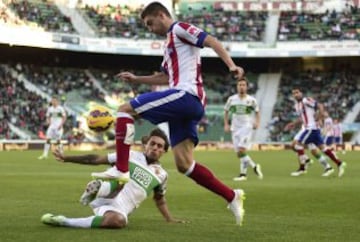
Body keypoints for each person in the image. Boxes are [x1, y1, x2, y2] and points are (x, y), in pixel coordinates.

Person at [91, 2, 245, 225]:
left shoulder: (179, 28)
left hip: (187, 96)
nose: (150, 28)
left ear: (161, 15)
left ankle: (121, 171)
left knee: (124, 110)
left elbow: (210, 40)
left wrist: (231, 65)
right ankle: (232, 196)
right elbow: (165, 78)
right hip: (184, 103)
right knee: (185, 164)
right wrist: (137, 79)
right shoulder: (169, 46)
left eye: (150, 23)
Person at [41, 128, 185, 229]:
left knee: (118, 222)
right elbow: (96, 159)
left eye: (160, 146)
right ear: (145, 145)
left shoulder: (162, 175)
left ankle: (63, 221)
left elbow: (159, 199)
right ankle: (98, 188)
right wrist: (66, 158)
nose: (155, 148)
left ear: (164, 151)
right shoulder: (129, 155)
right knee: (122, 177)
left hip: (118, 207)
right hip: (109, 190)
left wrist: (169, 219)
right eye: (152, 144)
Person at [284, 87, 347, 177]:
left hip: (311, 128)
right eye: (294, 93)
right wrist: (293, 124)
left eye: (297, 92)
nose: (296, 94)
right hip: (310, 129)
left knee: (297, 145)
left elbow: (320, 106)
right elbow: (302, 118)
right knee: (323, 149)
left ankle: (303, 168)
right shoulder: (297, 106)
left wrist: (320, 117)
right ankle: (339, 163)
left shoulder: (306, 100)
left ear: (301, 93)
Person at [224, 77, 263, 181]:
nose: (241, 87)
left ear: (246, 87)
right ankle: (248, 170)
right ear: (237, 87)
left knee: (242, 150)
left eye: (243, 85)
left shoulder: (251, 100)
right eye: (239, 85)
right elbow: (226, 111)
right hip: (235, 128)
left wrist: (257, 122)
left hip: (246, 127)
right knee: (239, 153)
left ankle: (248, 171)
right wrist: (226, 124)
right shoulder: (232, 99)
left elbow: (257, 112)